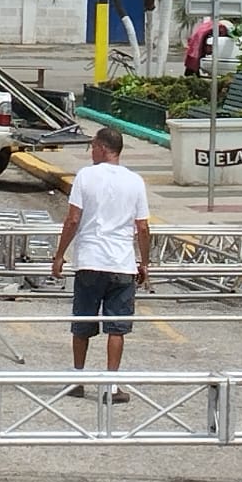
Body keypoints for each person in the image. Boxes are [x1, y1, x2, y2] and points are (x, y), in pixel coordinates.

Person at [50, 127, 150, 403]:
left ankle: (77, 378)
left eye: (92, 146)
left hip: (90, 260)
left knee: (82, 322)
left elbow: (73, 219)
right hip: (122, 263)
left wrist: (59, 254)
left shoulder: (85, 176)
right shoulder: (135, 181)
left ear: (104, 148)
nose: (91, 151)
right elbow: (142, 227)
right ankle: (111, 385)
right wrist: (144, 262)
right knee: (116, 328)